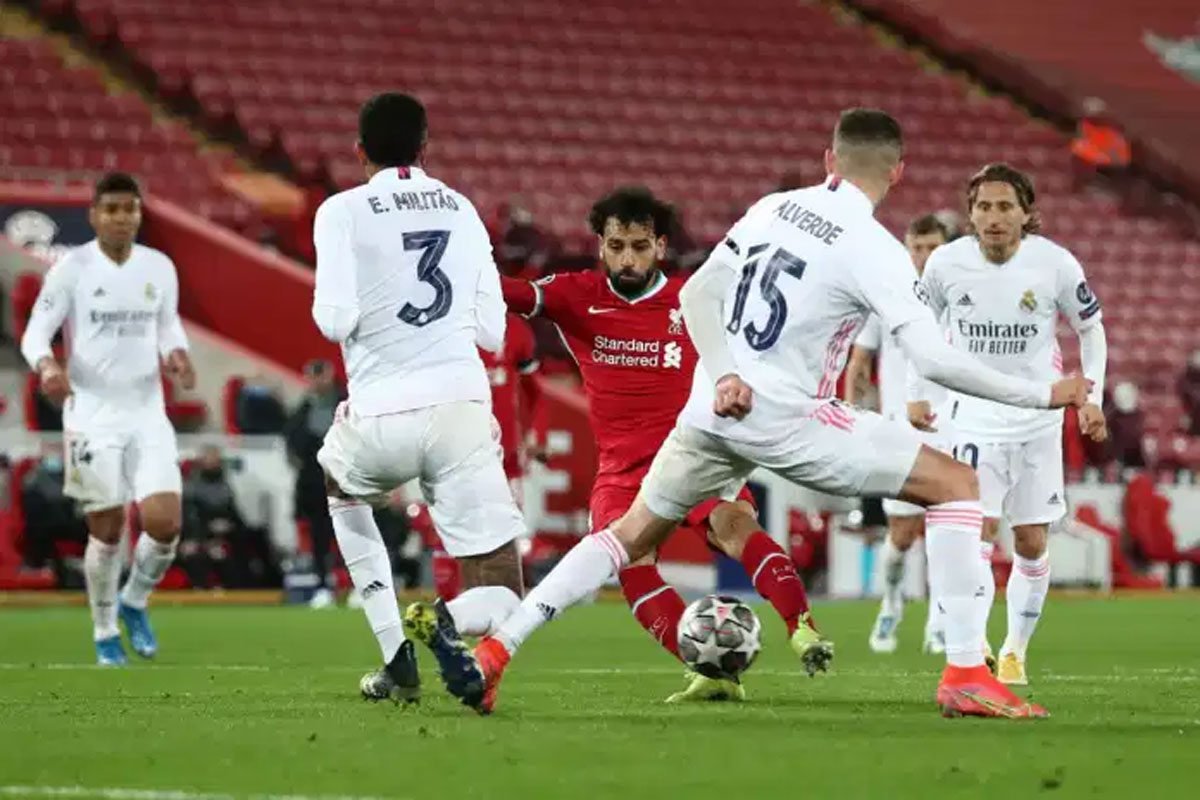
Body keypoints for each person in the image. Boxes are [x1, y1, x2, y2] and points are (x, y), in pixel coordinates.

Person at [438, 109, 1093, 719]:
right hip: (787, 417)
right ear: (897, 172)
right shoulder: (873, 248)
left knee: (628, 535)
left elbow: (698, 293)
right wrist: (1043, 395)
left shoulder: (775, 207)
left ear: (829, 158)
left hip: (711, 405)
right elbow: (934, 358)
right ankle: (965, 672)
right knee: (956, 484)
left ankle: (497, 650)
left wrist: (725, 373)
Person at [474, 186, 830, 704]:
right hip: (622, 470)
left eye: (640, 246)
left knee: (734, 526)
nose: (628, 259)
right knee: (631, 565)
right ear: (600, 245)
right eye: (617, 246)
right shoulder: (577, 295)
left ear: (660, 246)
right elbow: (507, 293)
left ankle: (803, 628)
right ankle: (708, 668)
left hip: (694, 455)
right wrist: (457, 262)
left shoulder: (694, 299)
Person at [310, 92, 529, 705]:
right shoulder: (462, 208)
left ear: (360, 152)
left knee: (338, 483)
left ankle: (394, 656)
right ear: (425, 148)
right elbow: (494, 333)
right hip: (461, 408)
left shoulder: (340, 211)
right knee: (502, 585)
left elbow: (333, 320)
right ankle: (447, 619)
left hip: (380, 416)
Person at [917, 163, 1109, 686]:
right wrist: (919, 395)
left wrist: (1092, 396)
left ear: (1027, 214)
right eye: (984, 207)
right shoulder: (945, 264)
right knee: (973, 534)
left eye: (1005, 207)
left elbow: (1091, 330)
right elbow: (919, 329)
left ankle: (1014, 652)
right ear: (971, 214)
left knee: (1029, 541)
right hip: (972, 420)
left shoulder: (1055, 264)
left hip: (1037, 424)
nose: (994, 217)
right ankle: (974, 646)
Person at [20, 172, 196, 665]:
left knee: (164, 524)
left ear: (139, 214)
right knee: (108, 527)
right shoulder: (71, 269)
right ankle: (103, 632)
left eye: (130, 209)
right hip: (92, 416)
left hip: (147, 413)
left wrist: (177, 353)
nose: (122, 218)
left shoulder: (159, 267)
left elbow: (167, 324)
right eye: (113, 209)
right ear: (94, 215)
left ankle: (134, 601)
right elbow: (35, 334)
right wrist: (47, 366)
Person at [843, 213, 950, 655]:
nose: (923, 256)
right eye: (917, 247)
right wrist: (850, 417)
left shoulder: (962, 298)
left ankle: (940, 621)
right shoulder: (884, 296)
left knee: (949, 534)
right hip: (899, 434)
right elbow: (859, 364)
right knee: (902, 536)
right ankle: (891, 601)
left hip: (951, 429)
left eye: (932, 247)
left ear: (946, 249)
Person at [282, 358, 344, 608]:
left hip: (346, 480)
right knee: (320, 538)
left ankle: (356, 586)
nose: (316, 381)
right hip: (315, 485)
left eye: (320, 375)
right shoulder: (303, 409)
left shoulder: (346, 403)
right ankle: (323, 585)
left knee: (351, 533)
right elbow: (292, 443)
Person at [20, 442, 87, 580]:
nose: (54, 456)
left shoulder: (70, 474)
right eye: (51, 451)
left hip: (67, 520)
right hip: (43, 523)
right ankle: (39, 566)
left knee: (91, 526)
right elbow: (31, 491)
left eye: (58, 451)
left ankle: (87, 565)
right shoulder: (35, 476)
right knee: (37, 528)